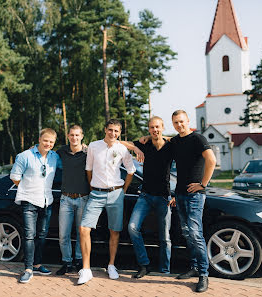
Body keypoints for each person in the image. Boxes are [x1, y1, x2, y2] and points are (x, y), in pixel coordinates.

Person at [77, 119, 136, 285]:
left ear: (119, 133)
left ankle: (111, 265)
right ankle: (86, 269)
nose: (113, 134)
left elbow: (131, 171)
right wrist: (92, 187)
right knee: (83, 228)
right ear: (105, 129)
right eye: (110, 130)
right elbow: (88, 169)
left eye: (116, 131)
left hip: (116, 194)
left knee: (114, 231)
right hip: (96, 194)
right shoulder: (94, 146)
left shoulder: (122, 149)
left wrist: (123, 191)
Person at [120, 116, 175, 278]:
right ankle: (144, 265)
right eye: (151, 127)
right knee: (132, 227)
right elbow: (119, 142)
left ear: (163, 127)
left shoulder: (171, 146)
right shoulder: (145, 144)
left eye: (157, 127)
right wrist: (135, 148)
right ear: (149, 129)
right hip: (145, 196)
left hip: (164, 198)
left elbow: (183, 141)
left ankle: (165, 271)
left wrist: (176, 194)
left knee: (165, 237)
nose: (154, 130)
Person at [170, 110, 216, 293]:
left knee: (196, 233)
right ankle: (195, 266)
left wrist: (202, 184)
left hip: (195, 195)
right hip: (179, 194)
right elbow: (162, 139)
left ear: (188, 121)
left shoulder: (198, 139)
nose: (179, 125)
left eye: (181, 121)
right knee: (187, 233)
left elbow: (211, 160)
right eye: (175, 122)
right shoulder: (175, 141)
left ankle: (204, 274)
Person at [10, 128, 61, 284]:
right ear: (39, 139)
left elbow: (68, 164)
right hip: (29, 201)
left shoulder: (54, 157)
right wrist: (27, 187)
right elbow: (14, 177)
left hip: (47, 201)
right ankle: (28, 269)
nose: (48, 144)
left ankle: (37, 264)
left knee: (42, 234)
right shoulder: (25, 156)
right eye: (46, 140)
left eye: (51, 142)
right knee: (29, 235)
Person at [55, 125, 90, 275]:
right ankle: (66, 262)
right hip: (66, 199)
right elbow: (45, 153)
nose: (74, 138)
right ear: (68, 136)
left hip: (83, 198)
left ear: (82, 136)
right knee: (63, 234)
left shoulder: (88, 152)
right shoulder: (61, 152)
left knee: (81, 233)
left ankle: (78, 261)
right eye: (72, 135)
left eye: (77, 135)